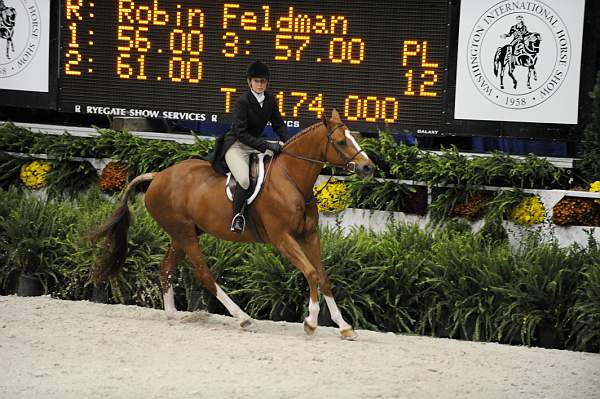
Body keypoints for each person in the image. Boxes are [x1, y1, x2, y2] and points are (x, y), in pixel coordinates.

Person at [208, 61, 289, 233]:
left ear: (267, 83)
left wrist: (287, 142)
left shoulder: (270, 100)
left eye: (263, 81)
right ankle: (237, 217)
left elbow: (279, 125)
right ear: (249, 82)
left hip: (255, 144)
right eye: (257, 81)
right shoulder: (242, 102)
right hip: (236, 145)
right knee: (244, 179)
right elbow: (240, 133)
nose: (260, 84)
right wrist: (267, 145)